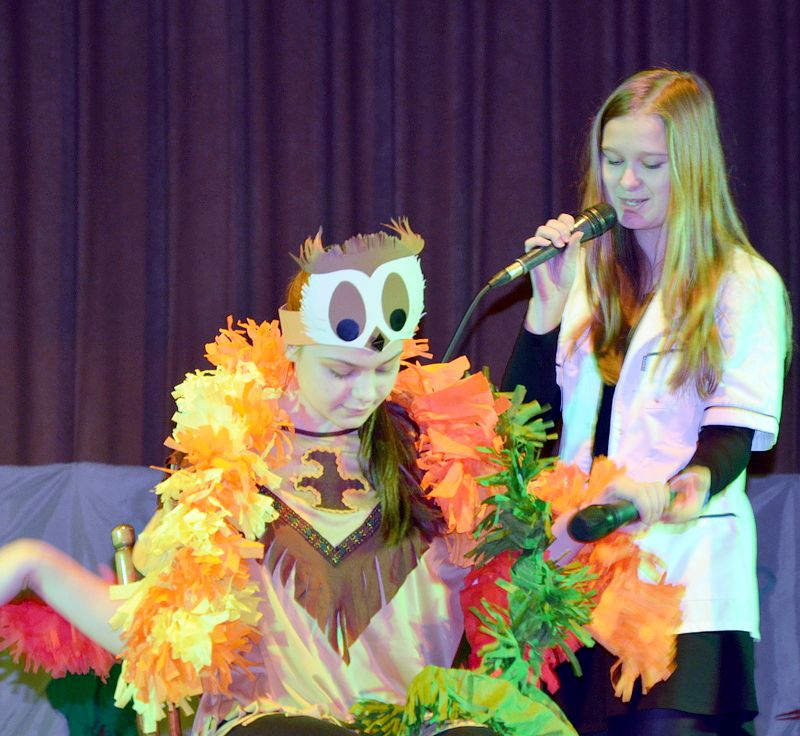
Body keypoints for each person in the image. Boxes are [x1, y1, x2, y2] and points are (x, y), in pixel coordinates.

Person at [2, 221, 582, 736]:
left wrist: (544, 321)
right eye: (340, 370)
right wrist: (35, 563)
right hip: (266, 722)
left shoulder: (438, 455)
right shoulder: (228, 464)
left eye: (383, 368)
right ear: (294, 347)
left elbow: (520, 520)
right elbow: (158, 635)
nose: (365, 392)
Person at [502, 68, 792, 735]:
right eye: (613, 161)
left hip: (684, 587)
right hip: (578, 588)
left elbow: (730, 440)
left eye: (650, 165)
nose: (626, 182)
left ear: (692, 166)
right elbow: (522, 426)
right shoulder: (587, 276)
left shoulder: (743, 285)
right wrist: (545, 310)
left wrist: (676, 491)